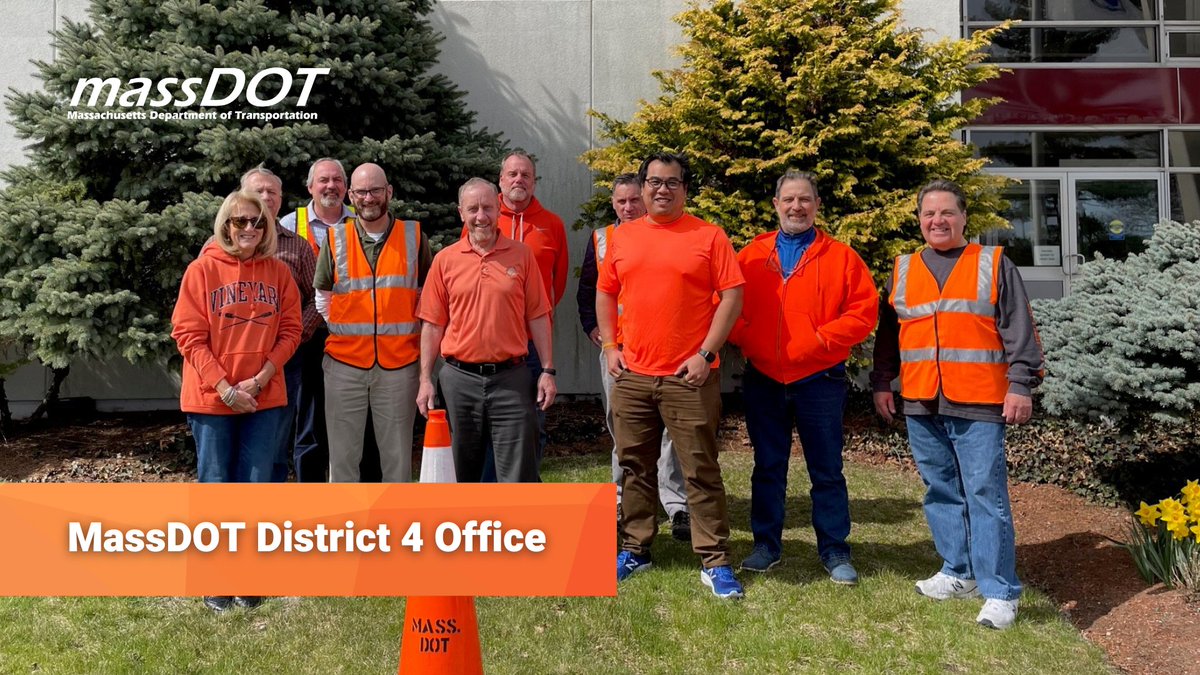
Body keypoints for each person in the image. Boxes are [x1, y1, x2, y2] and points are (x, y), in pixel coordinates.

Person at [870, 179, 1044, 631]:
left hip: (980, 400)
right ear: (920, 220)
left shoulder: (992, 263)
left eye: (947, 213)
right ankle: (957, 571)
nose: (937, 221)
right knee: (940, 489)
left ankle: (999, 591)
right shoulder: (904, 268)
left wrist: (1021, 385)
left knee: (986, 494)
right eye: (929, 214)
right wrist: (881, 383)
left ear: (965, 217)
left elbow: (1019, 329)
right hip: (921, 398)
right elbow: (889, 334)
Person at [597, 152, 746, 599]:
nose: (663, 189)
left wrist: (706, 353)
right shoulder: (623, 239)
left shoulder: (708, 235)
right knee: (634, 468)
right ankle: (636, 549)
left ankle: (715, 560)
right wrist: (609, 347)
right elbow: (605, 292)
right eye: (655, 182)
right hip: (634, 375)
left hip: (689, 377)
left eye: (673, 182)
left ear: (685, 189)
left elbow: (732, 296)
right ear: (642, 188)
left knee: (700, 469)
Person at [729, 170, 878, 583]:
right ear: (775, 204)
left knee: (826, 468)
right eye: (789, 199)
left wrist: (821, 339)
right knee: (768, 465)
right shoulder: (751, 255)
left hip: (820, 379)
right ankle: (765, 545)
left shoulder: (842, 256)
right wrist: (749, 338)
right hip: (764, 378)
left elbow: (863, 313)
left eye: (805, 200)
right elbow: (726, 304)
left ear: (817, 205)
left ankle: (834, 550)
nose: (797, 207)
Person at [171, 189, 302, 612]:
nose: (249, 228)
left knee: (258, 485)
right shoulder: (201, 271)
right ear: (226, 224)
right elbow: (187, 335)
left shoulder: (278, 272)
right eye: (240, 221)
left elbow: (291, 331)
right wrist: (225, 388)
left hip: (264, 398)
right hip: (212, 399)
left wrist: (262, 379)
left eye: (257, 222)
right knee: (216, 486)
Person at [416, 178, 557, 483]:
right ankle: (467, 529)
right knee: (460, 471)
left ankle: (515, 529)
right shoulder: (445, 260)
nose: (481, 216)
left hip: (511, 379)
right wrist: (426, 379)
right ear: (461, 213)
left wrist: (547, 370)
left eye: (488, 208)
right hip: (458, 381)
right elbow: (432, 323)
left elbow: (538, 315)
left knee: (517, 472)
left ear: (498, 208)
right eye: (473, 209)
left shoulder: (521, 255)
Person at [577, 173, 690, 541]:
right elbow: (589, 291)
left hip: (663, 351)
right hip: (619, 354)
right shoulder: (601, 240)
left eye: (633, 201)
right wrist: (597, 333)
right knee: (621, 427)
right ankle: (622, 497)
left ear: (644, 199)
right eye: (621, 201)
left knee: (670, 431)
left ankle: (675, 502)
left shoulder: (666, 234)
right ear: (613, 203)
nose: (628, 207)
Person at [314, 163, 432, 483]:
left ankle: (395, 525)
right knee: (342, 460)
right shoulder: (336, 238)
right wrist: (348, 327)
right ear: (351, 195)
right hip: (344, 365)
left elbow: (426, 298)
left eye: (376, 190)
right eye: (362, 191)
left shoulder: (414, 236)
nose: (369, 198)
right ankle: (346, 529)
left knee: (396, 459)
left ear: (388, 192)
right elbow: (323, 297)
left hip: (399, 365)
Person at [468, 151, 568, 477]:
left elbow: (558, 284)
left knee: (532, 425)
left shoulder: (551, 225)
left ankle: (525, 495)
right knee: (486, 428)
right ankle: (486, 500)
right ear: (500, 180)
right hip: (490, 343)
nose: (518, 180)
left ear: (534, 181)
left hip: (532, 346)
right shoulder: (483, 220)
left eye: (525, 175)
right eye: (512, 174)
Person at [240, 166, 320, 483]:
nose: (266, 197)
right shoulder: (219, 246)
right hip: (234, 360)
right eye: (258, 190)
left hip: (285, 362)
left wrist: (295, 336)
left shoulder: (296, 246)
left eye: (273, 192)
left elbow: (318, 298)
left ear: (281, 199)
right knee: (233, 440)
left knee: (275, 441)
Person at [278, 158, 356, 482]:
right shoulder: (289, 223)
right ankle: (310, 491)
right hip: (307, 337)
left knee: (349, 419)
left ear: (347, 188)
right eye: (323, 180)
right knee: (308, 421)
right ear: (310, 187)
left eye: (337, 180)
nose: (331, 186)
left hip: (353, 338)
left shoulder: (359, 224)